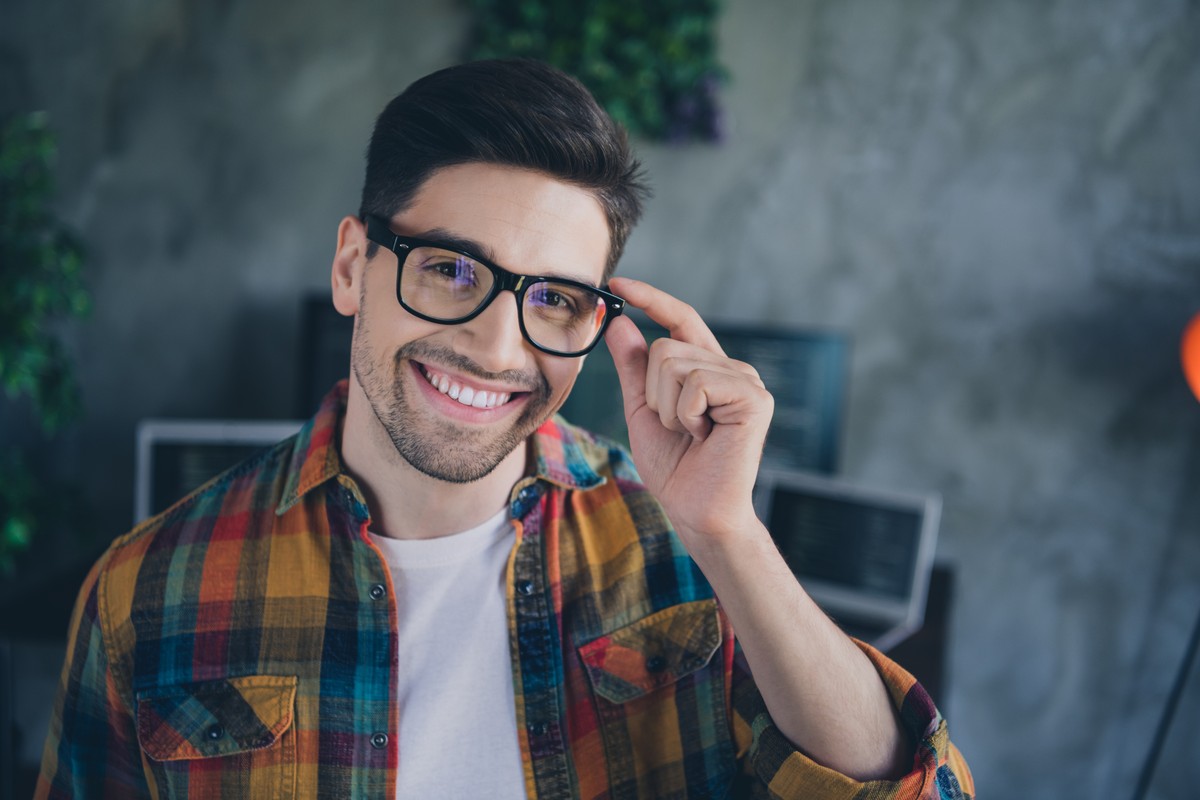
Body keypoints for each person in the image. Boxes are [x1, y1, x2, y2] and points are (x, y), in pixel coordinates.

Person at [36, 59, 973, 799]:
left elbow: (914, 794)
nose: (494, 345)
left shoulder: (693, 562)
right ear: (354, 266)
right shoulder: (145, 592)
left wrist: (729, 534)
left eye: (557, 299)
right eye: (449, 270)